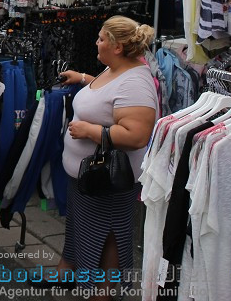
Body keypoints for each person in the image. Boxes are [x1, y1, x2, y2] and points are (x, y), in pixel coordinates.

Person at [57, 16, 158, 294]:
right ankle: (69, 277)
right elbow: (109, 94)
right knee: (85, 232)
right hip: (89, 178)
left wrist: (91, 131)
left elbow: (136, 136)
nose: (96, 42)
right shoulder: (116, 69)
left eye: (101, 38)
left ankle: (103, 294)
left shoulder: (136, 83)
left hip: (107, 183)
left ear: (116, 46)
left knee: (107, 238)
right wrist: (83, 79)